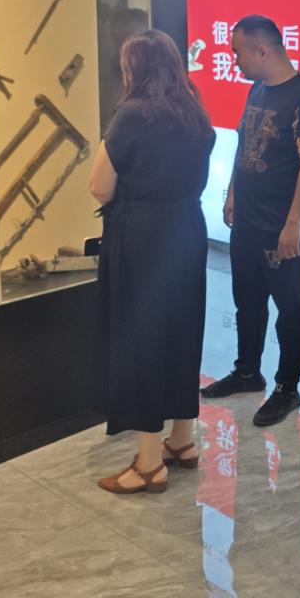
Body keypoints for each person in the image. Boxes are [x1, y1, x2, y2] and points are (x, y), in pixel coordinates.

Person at [89, 29, 216, 494]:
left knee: (141, 338)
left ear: (134, 68)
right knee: (182, 330)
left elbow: (99, 187)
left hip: (143, 236)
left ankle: (148, 464)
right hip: (187, 228)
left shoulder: (131, 116)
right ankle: (182, 441)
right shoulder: (195, 113)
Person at [201, 14, 300, 428]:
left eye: (237, 52)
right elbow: (245, 144)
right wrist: (232, 194)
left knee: (289, 307)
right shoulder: (257, 89)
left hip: (282, 225)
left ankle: (287, 388)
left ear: (262, 50)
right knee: (247, 298)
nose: (235, 60)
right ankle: (247, 371)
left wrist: (294, 224)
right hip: (248, 219)